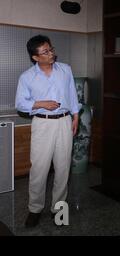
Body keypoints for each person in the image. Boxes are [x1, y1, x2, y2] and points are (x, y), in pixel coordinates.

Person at [15, 35, 79, 228]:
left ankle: (58, 208)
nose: (51, 54)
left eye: (51, 49)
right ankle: (35, 209)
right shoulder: (27, 77)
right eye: (45, 52)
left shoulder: (65, 70)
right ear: (35, 57)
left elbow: (72, 94)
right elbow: (20, 104)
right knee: (39, 169)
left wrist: (75, 116)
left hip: (65, 122)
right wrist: (41, 103)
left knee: (63, 168)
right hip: (42, 124)